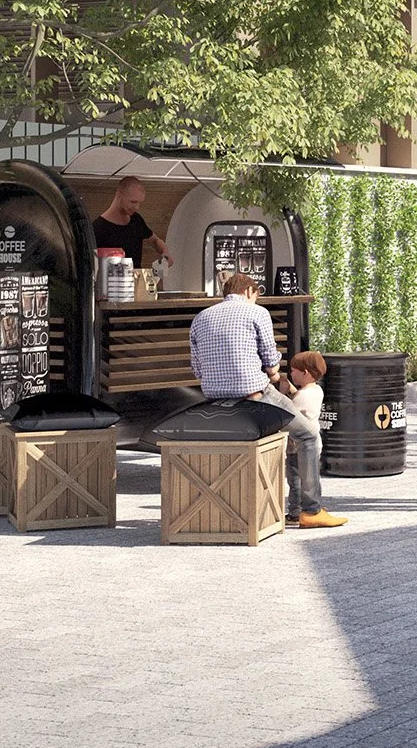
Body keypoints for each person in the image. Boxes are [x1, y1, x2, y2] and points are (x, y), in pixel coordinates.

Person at [189, 272, 339, 527]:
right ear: (249, 291)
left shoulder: (200, 318)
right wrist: (276, 376)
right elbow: (271, 361)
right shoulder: (257, 313)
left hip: (214, 399)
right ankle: (311, 511)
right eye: (257, 296)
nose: (257, 301)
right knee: (309, 435)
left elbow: (197, 369)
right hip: (254, 396)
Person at [271, 350, 345, 529]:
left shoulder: (306, 395)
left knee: (300, 480)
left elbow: (290, 413)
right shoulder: (313, 390)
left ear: (305, 373)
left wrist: (281, 395)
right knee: (303, 478)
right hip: (302, 445)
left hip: (301, 445)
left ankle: (301, 511)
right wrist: (291, 390)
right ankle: (304, 510)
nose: (291, 374)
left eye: (294, 370)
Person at [90, 177, 172, 275]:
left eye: (139, 202)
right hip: (113, 287)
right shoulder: (98, 228)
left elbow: (155, 240)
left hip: (138, 285)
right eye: (133, 202)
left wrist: (165, 251)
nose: (136, 207)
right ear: (119, 195)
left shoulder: (136, 220)